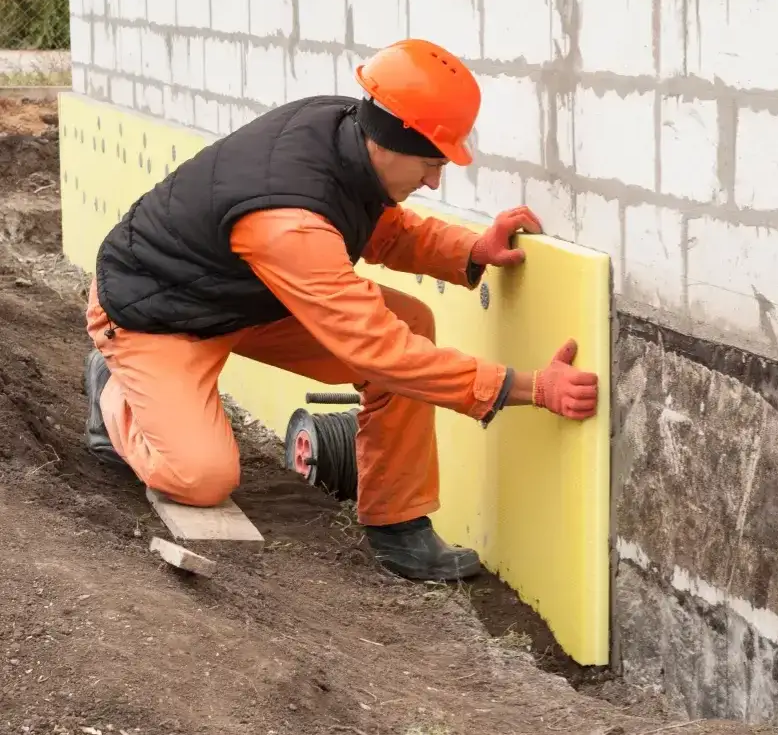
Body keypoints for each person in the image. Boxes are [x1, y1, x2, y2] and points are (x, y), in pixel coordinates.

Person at [81, 38, 600, 582]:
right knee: (200, 477)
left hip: (247, 296)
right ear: (390, 142)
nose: (434, 180)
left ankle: (399, 523)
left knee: (411, 323)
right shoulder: (288, 222)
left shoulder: (345, 135)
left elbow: (377, 228)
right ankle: (117, 390)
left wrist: (469, 250)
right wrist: (528, 387)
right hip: (156, 315)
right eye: (431, 164)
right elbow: (380, 352)